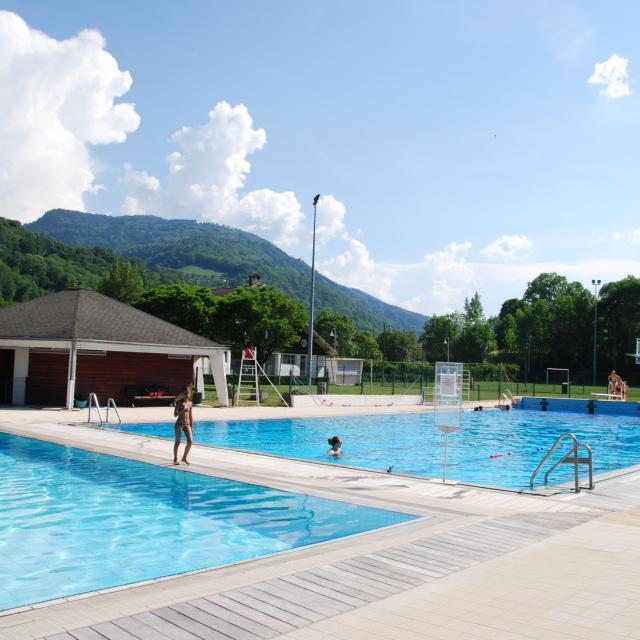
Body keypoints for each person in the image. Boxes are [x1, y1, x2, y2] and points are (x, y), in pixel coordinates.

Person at [173, 384, 194, 465]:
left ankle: (184, 457)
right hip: (179, 424)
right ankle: (175, 458)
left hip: (187, 424)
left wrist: (192, 426)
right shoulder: (178, 403)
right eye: (185, 393)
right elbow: (175, 414)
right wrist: (182, 411)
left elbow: (191, 416)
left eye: (188, 393)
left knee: (190, 441)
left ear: (190, 394)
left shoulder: (190, 403)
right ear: (182, 394)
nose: (186, 395)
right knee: (177, 441)